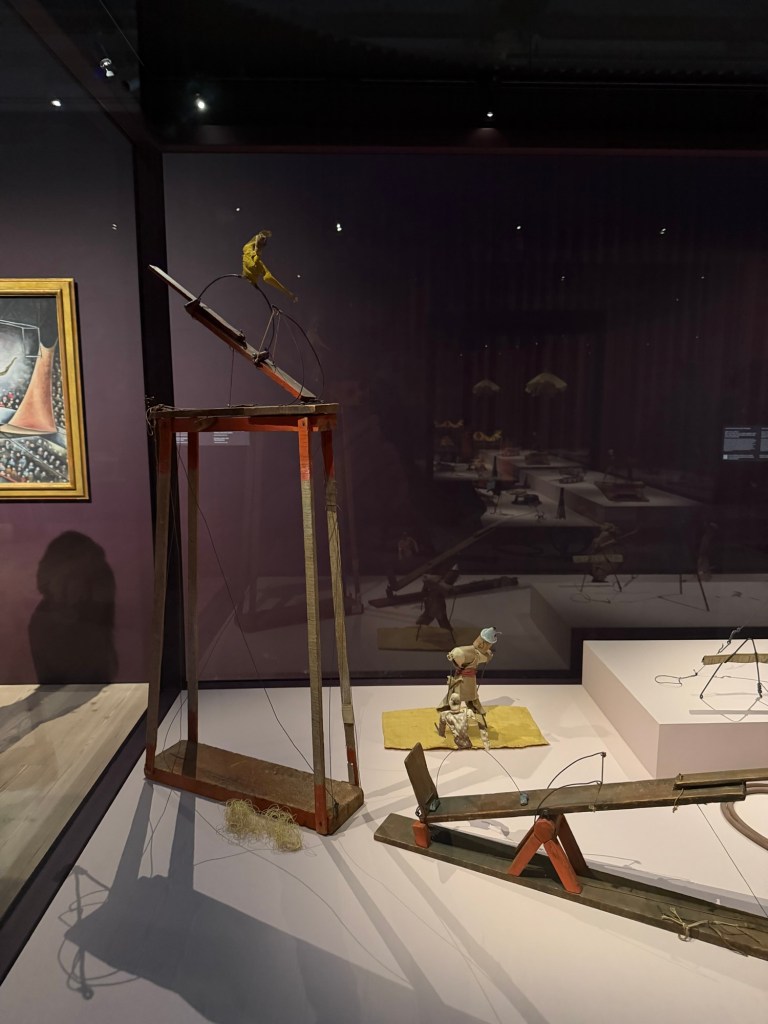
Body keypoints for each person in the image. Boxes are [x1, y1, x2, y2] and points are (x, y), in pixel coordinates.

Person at [436, 626, 500, 749]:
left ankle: (471, 730)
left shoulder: (476, 653)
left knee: (462, 705)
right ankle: (474, 729)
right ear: (483, 643)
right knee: (466, 705)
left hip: (464, 683)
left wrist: (488, 654)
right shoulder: (471, 652)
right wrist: (454, 655)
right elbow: (459, 653)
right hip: (464, 683)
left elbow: (481, 655)